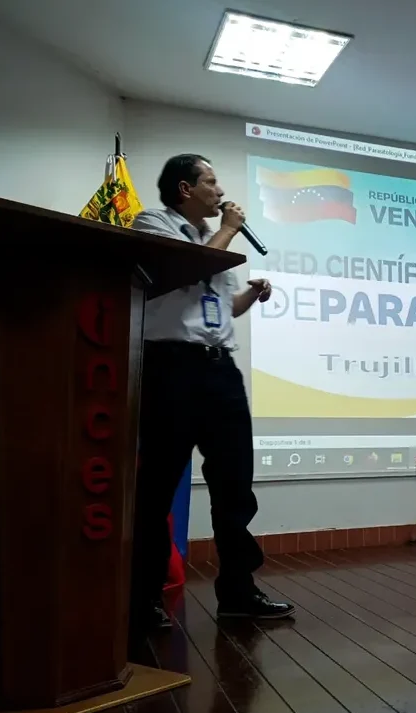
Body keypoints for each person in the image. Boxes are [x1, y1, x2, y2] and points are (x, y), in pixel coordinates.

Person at [128, 153, 294, 639]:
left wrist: (250, 296)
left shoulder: (213, 238)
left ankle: (238, 593)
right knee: (157, 488)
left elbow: (220, 306)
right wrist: (228, 230)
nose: (220, 191)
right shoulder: (154, 223)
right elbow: (184, 272)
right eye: (211, 181)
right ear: (185, 188)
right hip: (170, 368)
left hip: (221, 371)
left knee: (234, 487)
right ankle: (142, 599)